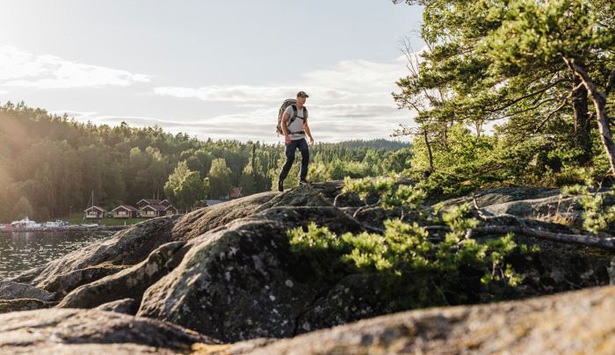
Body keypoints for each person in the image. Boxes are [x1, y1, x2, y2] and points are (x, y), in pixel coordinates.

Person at [278, 91, 314, 192]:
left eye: (305, 98)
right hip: (291, 137)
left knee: (305, 155)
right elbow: (283, 123)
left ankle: (302, 179)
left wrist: (310, 137)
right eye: (302, 97)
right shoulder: (290, 109)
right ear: (297, 98)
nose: (303, 99)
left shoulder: (305, 111)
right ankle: (281, 180)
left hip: (301, 137)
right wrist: (286, 136)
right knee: (290, 159)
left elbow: (305, 125)